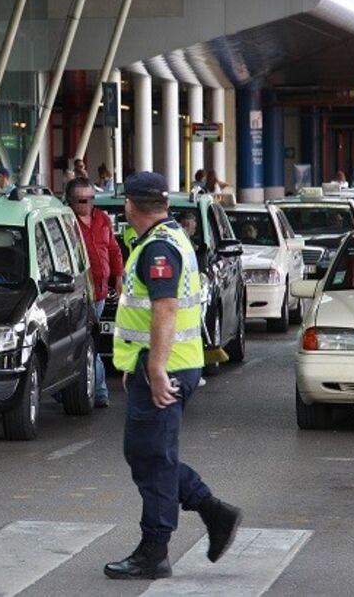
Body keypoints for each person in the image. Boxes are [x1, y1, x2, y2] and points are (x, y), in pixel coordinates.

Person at [105, 171, 241, 581]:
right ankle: (213, 511)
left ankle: (156, 549)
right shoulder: (167, 239)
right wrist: (140, 364)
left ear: (130, 205)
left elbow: (164, 309)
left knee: (154, 458)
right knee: (145, 454)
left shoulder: (158, 249)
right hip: (164, 363)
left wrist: (156, 367)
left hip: (168, 366)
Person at [66, 177, 123, 408]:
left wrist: (118, 278)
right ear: (70, 200)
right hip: (78, 293)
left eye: (91, 199)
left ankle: (95, 390)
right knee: (88, 344)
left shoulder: (102, 219)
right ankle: (96, 390)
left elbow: (113, 249)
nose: (88, 204)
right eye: (82, 200)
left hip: (100, 293)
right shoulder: (67, 222)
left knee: (90, 342)